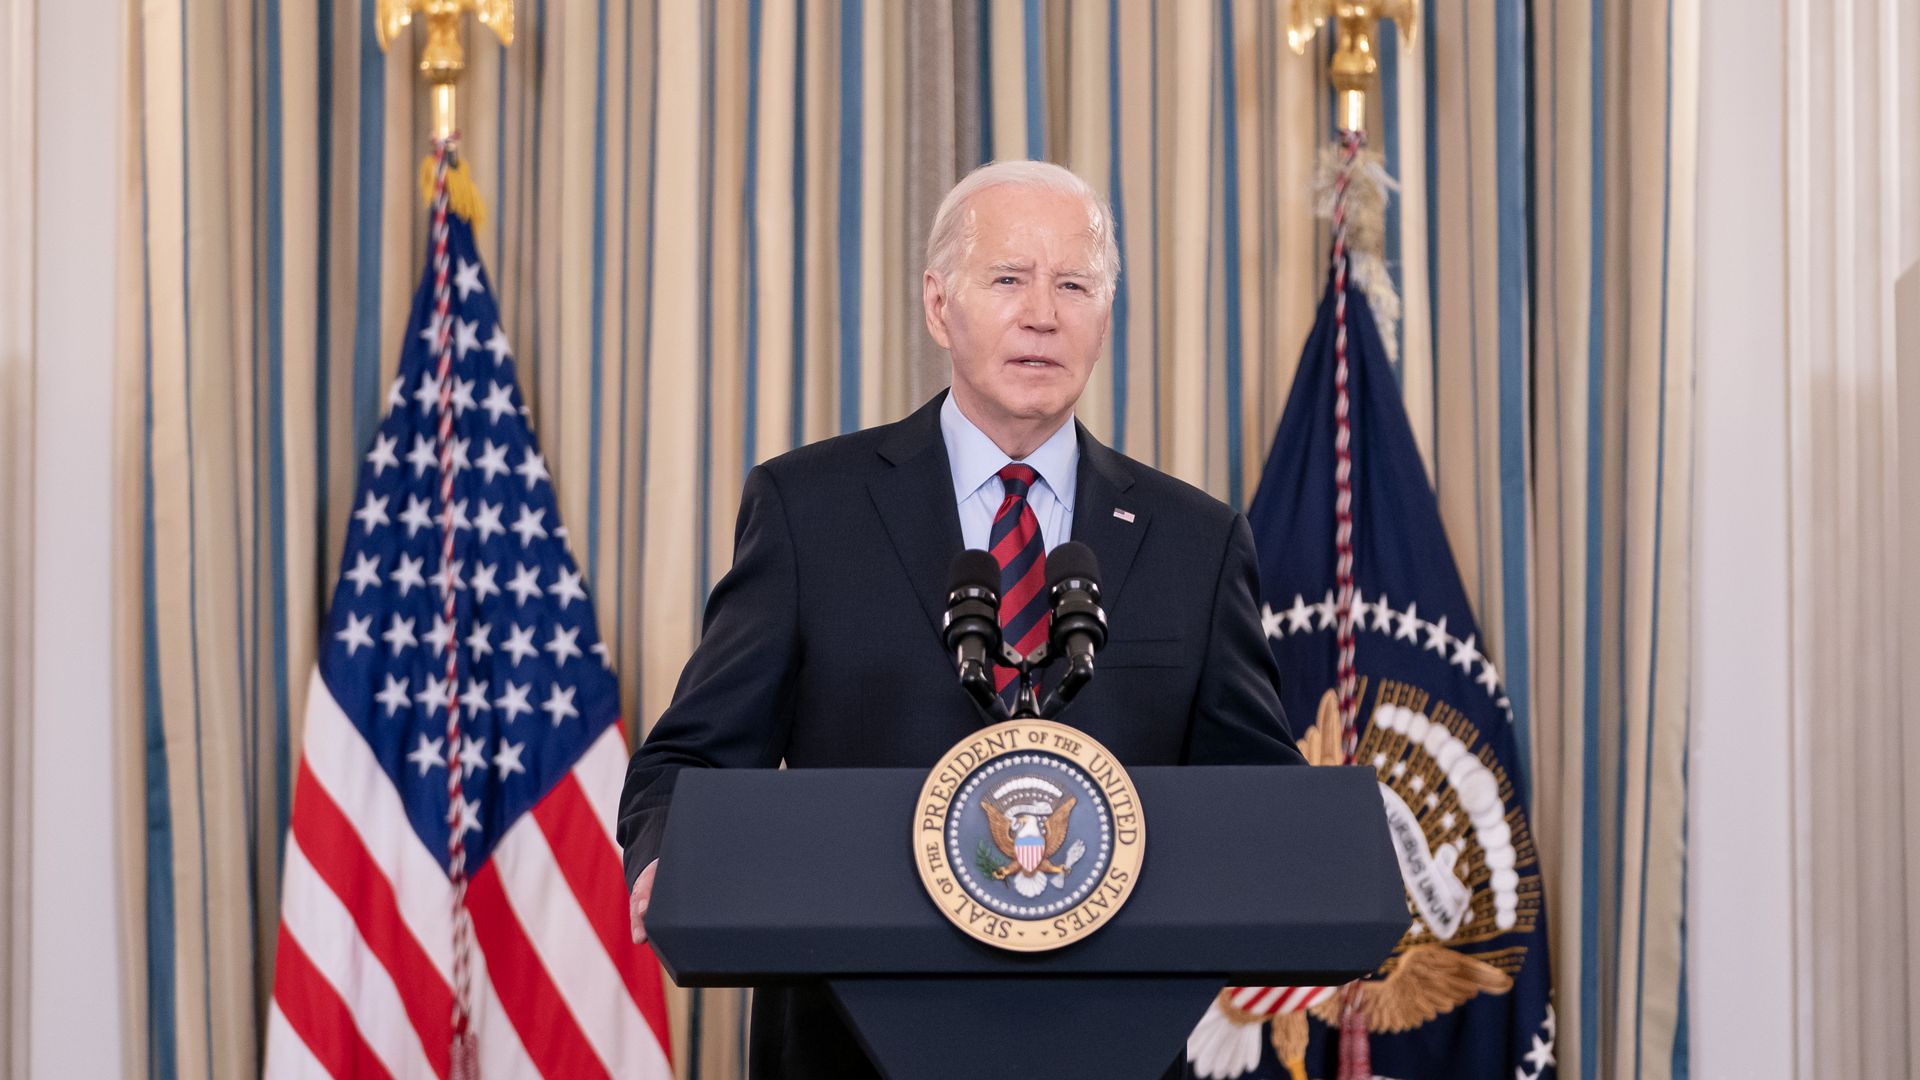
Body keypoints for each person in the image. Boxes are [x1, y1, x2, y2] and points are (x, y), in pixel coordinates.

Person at [616, 159, 1304, 1078]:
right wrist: (672, 853)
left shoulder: (1197, 540)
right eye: (1009, 279)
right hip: (849, 1048)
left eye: (1074, 285)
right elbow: (687, 762)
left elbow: (1258, 800)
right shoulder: (809, 508)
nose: (1042, 313)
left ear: (1105, 317)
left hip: (1111, 1047)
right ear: (941, 306)